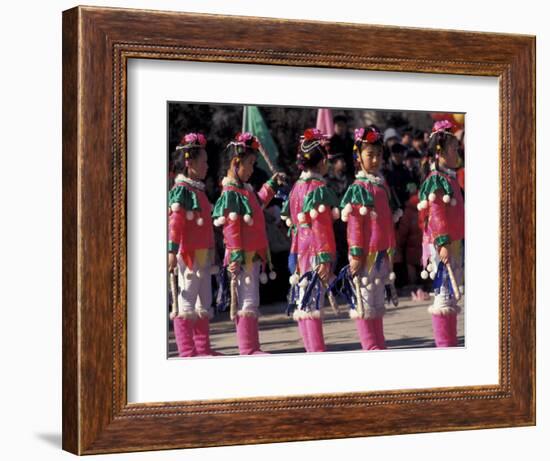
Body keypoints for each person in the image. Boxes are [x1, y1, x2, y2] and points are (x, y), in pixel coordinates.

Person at [212, 132, 284, 355]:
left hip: (251, 255)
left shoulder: (244, 190)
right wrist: (234, 256)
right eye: (250, 164)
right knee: (247, 300)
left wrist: (272, 185)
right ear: (236, 163)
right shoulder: (231, 192)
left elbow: (259, 202)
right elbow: (231, 228)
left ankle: (252, 347)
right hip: (241, 257)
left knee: (251, 299)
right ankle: (248, 348)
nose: (252, 170)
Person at [340, 126, 402, 350]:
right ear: (358, 157)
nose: (375, 159)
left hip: (381, 253)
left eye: (378, 154)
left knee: (376, 300)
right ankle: (370, 345)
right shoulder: (359, 188)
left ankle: (379, 344)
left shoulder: (381, 185)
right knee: (365, 302)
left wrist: (391, 250)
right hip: (365, 255)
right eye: (370, 154)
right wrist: (356, 253)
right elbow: (355, 225)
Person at [282, 128, 339, 352]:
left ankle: (310, 349)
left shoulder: (296, 187)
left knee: (304, 302)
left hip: (298, 252)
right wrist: (326, 258)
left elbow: (292, 220)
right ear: (322, 161)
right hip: (315, 252)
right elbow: (321, 226)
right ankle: (317, 350)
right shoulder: (318, 189)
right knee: (313, 302)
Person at [168, 133, 221, 357]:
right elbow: (176, 222)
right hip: (187, 253)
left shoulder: (197, 190)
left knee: (204, 300)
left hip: (202, 253)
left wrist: (213, 251)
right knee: (187, 299)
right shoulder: (182, 190)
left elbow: (207, 227)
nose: (207, 166)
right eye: (204, 161)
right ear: (189, 163)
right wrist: (171, 250)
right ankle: (187, 351)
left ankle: (202, 348)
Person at [417, 120, 465, 347]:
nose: (458, 152)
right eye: (454, 148)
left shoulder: (449, 178)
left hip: (453, 243)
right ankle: (445, 344)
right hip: (441, 245)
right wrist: (443, 242)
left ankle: (450, 343)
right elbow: (436, 215)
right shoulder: (436, 180)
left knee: (451, 298)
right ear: (440, 152)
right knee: (443, 295)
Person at [329, 114, 355, 181]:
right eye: (338, 125)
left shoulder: (351, 141)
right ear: (334, 126)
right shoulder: (330, 142)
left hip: (350, 172)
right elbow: (329, 158)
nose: (341, 128)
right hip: (334, 174)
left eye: (343, 125)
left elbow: (354, 155)